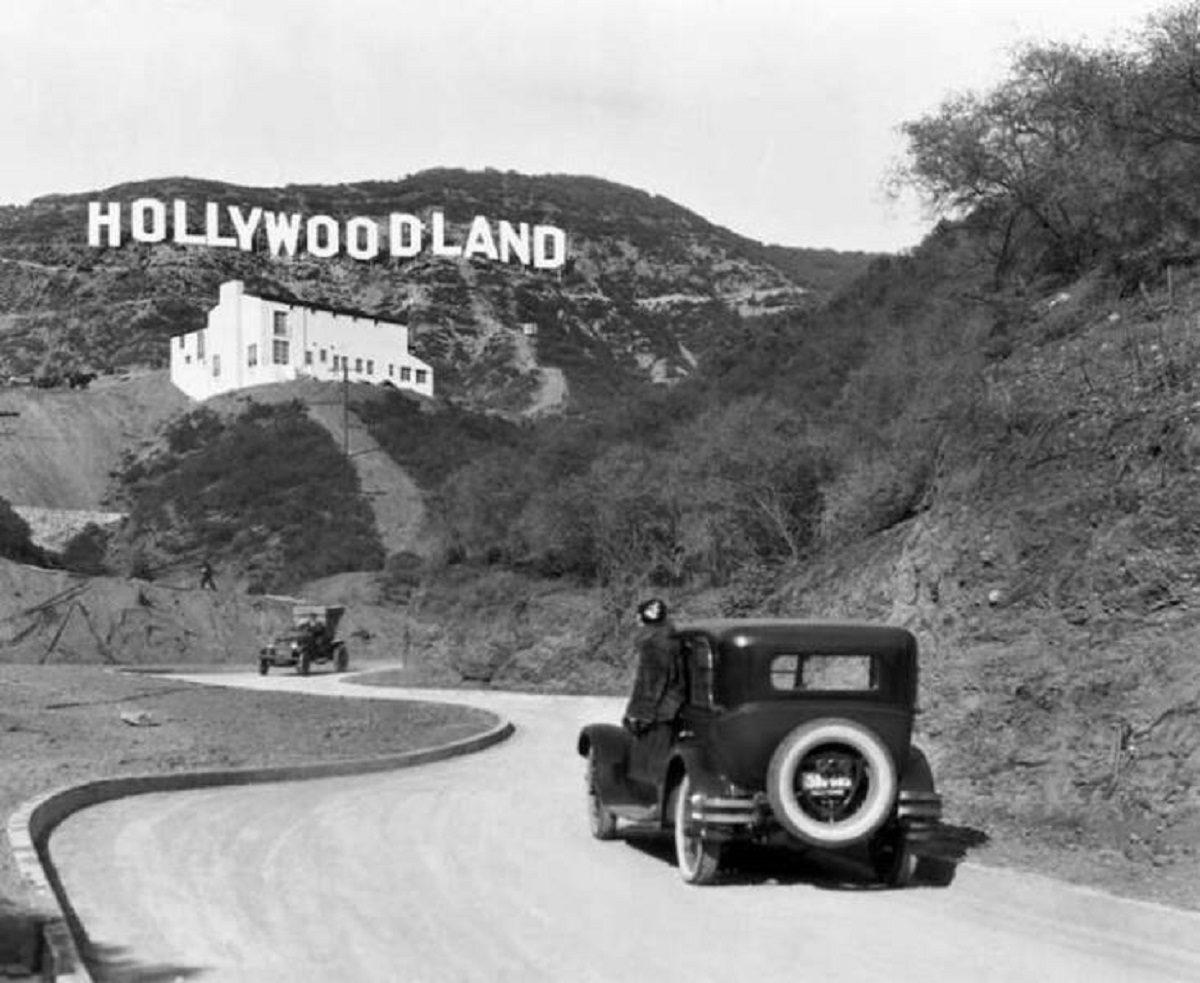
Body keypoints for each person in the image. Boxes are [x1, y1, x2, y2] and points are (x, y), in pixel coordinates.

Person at [622, 598, 686, 785]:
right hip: (672, 707)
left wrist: (638, 715)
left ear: (643, 618)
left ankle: (650, 800)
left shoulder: (653, 643)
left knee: (651, 763)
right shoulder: (672, 638)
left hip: (660, 713)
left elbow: (651, 682)